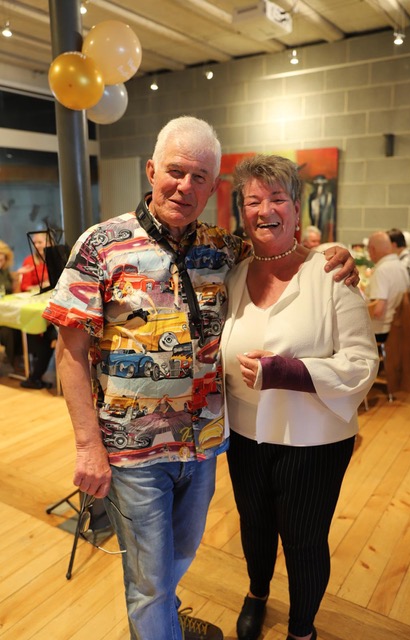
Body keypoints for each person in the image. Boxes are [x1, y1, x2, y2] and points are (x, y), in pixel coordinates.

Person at [42, 117, 358, 640]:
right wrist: (86, 446)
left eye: (200, 177)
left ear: (213, 188)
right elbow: (70, 351)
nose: (184, 187)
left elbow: (280, 249)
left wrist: (332, 252)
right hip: (134, 452)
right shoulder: (100, 244)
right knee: (149, 582)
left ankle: (166, 623)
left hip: (204, 445)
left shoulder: (224, 248)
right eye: (175, 171)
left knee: (178, 558)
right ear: (151, 171)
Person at [221, 154, 379, 640]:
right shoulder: (234, 274)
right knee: (254, 525)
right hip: (244, 434)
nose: (265, 210)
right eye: (253, 201)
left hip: (313, 440)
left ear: (296, 207)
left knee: (304, 540)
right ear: (241, 211)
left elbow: (362, 363)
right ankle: (257, 593)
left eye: (277, 198)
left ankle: (302, 629)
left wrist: (288, 372)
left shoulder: (330, 272)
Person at [17, 232, 56, 389]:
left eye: (40, 242)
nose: (37, 245)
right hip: (35, 308)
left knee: (50, 333)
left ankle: (35, 377)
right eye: (35, 242)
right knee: (47, 335)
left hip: (50, 307)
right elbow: (24, 286)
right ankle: (35, 377)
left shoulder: (55, 260)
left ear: (50, 243)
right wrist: (42, 285)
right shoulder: (29, 261)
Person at [367, 231, 410, 341]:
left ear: (372, 249)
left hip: (381, 330)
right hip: (398, 326)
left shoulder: (382, 270)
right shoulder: (400, 265)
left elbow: (378, 311)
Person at [0, 240, 22, 372]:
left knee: (22, 326)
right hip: (2, 320)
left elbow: (15, 292)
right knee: (9, 332)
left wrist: (16, 279)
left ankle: (18, 360)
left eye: (1, 255)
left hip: (8, 314)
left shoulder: (5, 272)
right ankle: (12, 362)